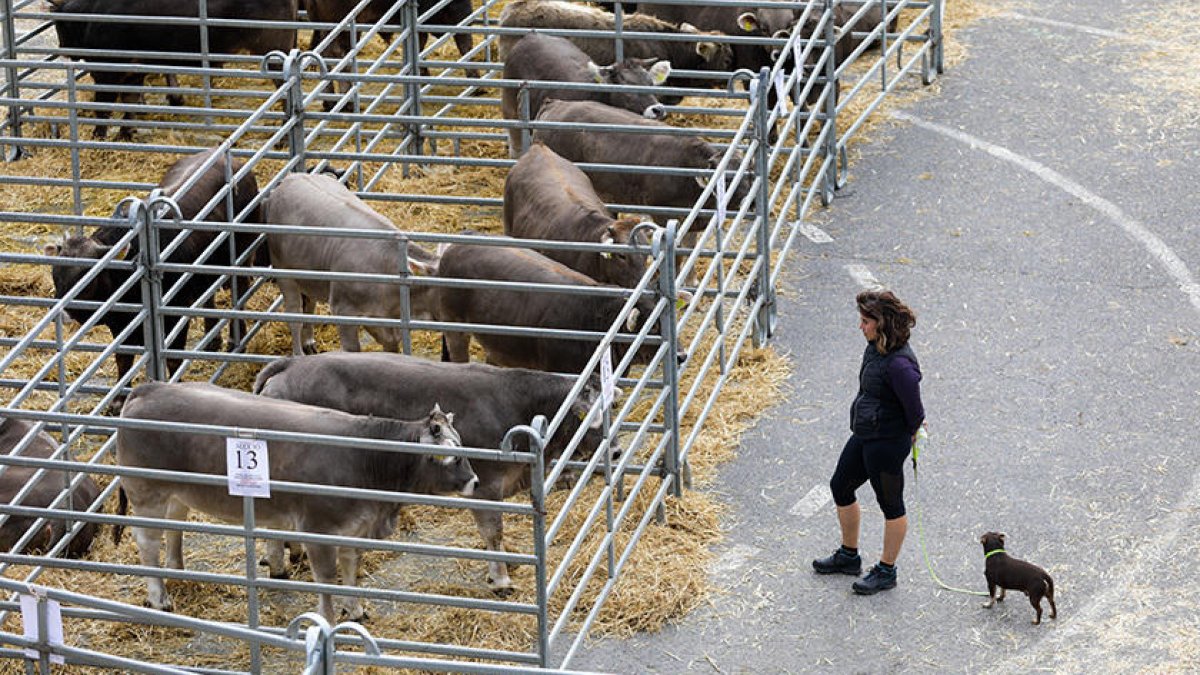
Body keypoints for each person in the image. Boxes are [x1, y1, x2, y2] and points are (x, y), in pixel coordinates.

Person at [813, 289, 925, 595]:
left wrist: (915, 430)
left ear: (882, 323)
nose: (861, 327)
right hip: (865, 433)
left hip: (887, 442)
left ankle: (887, 570)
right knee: (840, 486)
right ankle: (849, 556)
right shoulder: (875, 347)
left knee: (891, 504)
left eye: (866, 321)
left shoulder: (900, 366)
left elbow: (915, 411)